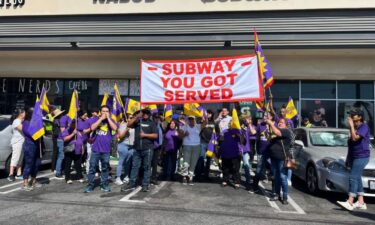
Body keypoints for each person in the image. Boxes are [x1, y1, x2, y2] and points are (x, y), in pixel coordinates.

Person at [337, 109, 370, 211]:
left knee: (353, 176)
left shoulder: (364, 127)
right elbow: (351, 145)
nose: (350, 117)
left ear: (359, 117)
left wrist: (351, 126)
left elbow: (355, 138)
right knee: (357, 177)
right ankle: (361, 202)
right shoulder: (354, 128)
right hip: (354, 156)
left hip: (362, 156)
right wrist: (348, 158)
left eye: (353, 115)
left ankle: (350, 201)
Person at [121, 109, 158, 192]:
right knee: (135, 167)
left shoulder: (152, 123)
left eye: (147, 113)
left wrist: (145, 135)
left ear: (149, 115)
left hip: (147, 149)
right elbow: (129, 124)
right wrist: (137, 116)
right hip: (137, 149)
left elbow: (155, 135)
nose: (145, 114)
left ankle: (145, 185)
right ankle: (131, 184)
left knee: (147, 167)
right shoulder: (138, 122)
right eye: (144, 113)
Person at [84, 105, 118, 193]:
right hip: (95, 149)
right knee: (92, 167)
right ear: (100, 112)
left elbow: (115, 128)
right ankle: (90, 185)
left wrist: (108, 119)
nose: (105, 113)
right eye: (103, 111)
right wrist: (100, 119)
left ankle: (104, 184)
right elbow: (92, 128)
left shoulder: (111, 121)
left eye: (107, 111)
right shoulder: (94, 120)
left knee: (105, 168)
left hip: (106, 150)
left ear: (109, 112)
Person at [265, 117, 294, 205]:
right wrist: (268, 134)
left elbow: (278, 132)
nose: (279, 123)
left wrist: (270, 123)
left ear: (286, 124)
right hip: (274, 157)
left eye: (281, 122)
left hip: (282, 158)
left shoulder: (286, 131)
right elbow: (270, 140)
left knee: (283, 177)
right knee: (276, 177)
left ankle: (285, 196)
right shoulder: (277, 131)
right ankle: (277, 194)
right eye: (279, 122)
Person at [252, 112, 274, 193]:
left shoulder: (274, 125)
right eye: (264, 115)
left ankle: (274, 191)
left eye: (266, 115)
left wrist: (270, 128)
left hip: (271, 153)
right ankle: (254, 187)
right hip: (261, 152)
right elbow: (254, 133)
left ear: (271, 117)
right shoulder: (260, 125)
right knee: (258, 170)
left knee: (273, 171)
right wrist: (249, 124)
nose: (264, 117)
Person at [21, 107, 42, 191]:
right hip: (29, 145)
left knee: (37, 163)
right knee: (29, 163)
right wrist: (38, 129)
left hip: (36, 144)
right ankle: (25, 182)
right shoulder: (25, 123)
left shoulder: (35, 122)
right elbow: (31, 134)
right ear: (30, 114)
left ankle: (33, 180)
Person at [179, 115, 203, 185]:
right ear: (188, 120)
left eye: (192, 119)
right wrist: (184, 135)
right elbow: (179, 137)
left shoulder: (198, 126)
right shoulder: (184, 127)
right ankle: (184, 176)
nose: (191, 120)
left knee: (193, 163)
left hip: (196, 146)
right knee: (186, 163)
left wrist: (204, 115)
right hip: (187, 146)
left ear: (195, 120)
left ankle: (190, 177)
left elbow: (205, 123)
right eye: (190, 119)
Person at [220, 124, 244, 189]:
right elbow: (221, 139)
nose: (230, 125)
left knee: (236, 168)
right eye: (229, 124)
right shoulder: (224, 131)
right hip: (225, 152)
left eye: (231, 123)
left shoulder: (238, 131)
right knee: (225, 167)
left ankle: (237, 182)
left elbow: (242, 141)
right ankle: (225, 180)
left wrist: (238, 135)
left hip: (235, 153)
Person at [61, 119, 85, 184]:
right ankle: (67, 178)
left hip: (78, 150)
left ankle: (79, 177)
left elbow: (81, 140)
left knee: (78, 164)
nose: (74, 124)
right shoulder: (66, 130)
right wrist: (72, 134)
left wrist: (82, 148)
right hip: (69, 150)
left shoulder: (78, 131)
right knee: (68, 164)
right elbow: (65, 139)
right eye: (73, 123)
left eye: (75, 122)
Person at [115, 114, 135, 185]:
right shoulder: (123, 125)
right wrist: (126, 129)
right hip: (123, 145)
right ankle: (118, 177)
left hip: (132, 146)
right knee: (121, 161)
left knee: (128, 162)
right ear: (126, 118)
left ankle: (126, 176)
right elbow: (120, 136)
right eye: (130, 118)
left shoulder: (135, 125)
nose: (131, 119)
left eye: (132, 118)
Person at [196, 109, 215, 181]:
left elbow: (216, 132)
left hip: (210, 143)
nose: (209, 114)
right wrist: (204, 121)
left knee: (209, 160)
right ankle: (198, 175)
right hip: (202, 142)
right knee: (201, 159)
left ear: (212, 114)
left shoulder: (213, 122)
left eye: (210, 113)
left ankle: (206, 175)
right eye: (208, 113)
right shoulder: (201, 121)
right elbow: (199, 129)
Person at [7, 108, 26, 182]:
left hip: (22, 142)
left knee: (20, 159)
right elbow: (22, 128)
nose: (25, 114)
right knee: (15, 158)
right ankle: (11, 174)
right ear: (21, 114)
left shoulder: (21, 121)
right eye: (24, 113)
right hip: (17, 142)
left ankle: (19, 174)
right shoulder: (16, 121)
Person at [241, 116, 257, 189]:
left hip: (249, 149)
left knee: (247, 165)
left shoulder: (253, 126)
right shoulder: (242, 127)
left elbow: (253, 132)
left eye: (249, 119)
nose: (248, 121)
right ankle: (245, 181)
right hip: (242, 149)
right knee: (245, 165)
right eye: (246, 119)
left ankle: (249, 181)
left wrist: (249, 124)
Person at [151, 113, 164, 185]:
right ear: (153, 118)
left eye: (158, 118)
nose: (157, 119)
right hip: (151, 146)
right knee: (149, 163)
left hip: (158, 147)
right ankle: (146, 177)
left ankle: (153, 178)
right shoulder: (152, 124)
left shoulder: (159, 125)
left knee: (155, 163)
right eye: (155, 117)